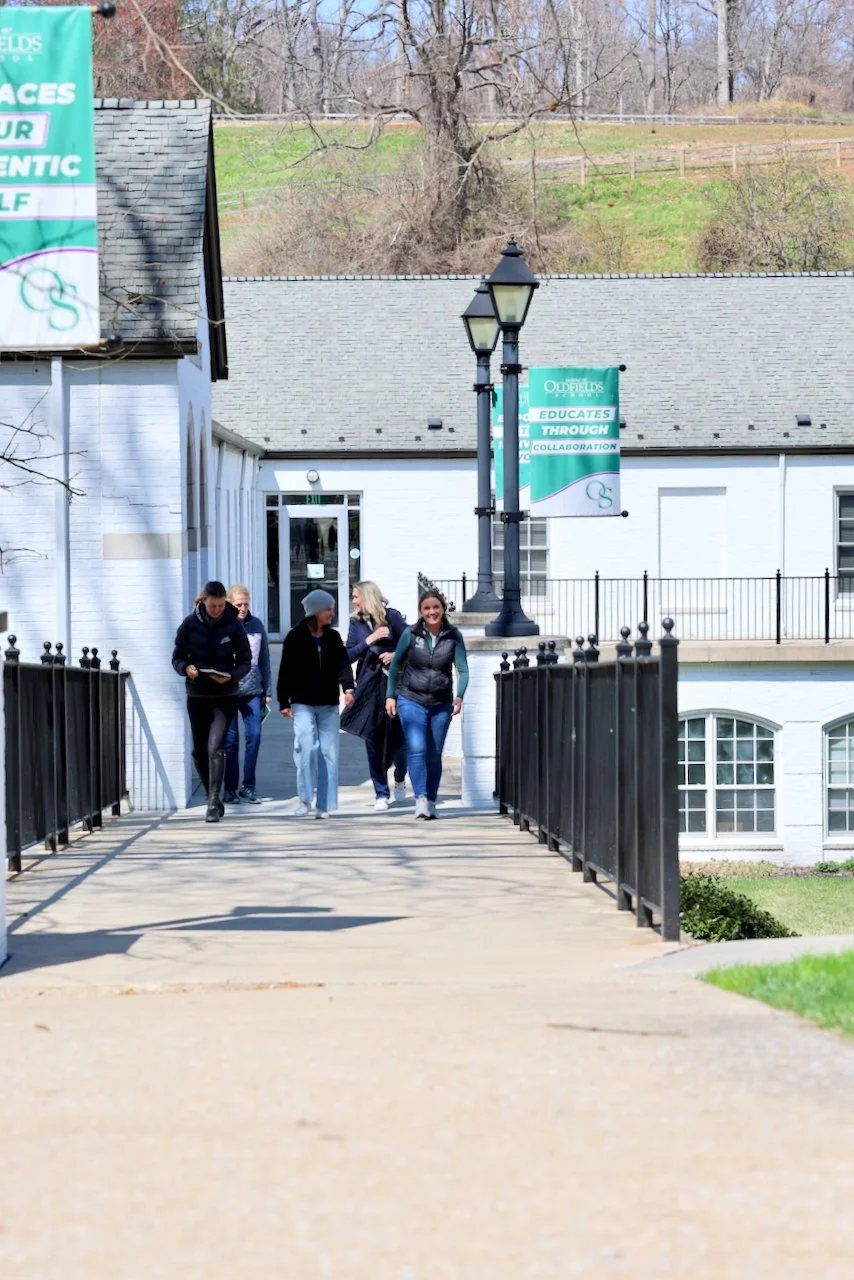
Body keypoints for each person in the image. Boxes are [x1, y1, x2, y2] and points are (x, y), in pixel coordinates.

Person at [172, 580, 252, 823]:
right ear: (203, 601)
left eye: (220, 605)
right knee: (199, 750)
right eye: (212, 606)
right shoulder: (189, 624)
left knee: (215, 748)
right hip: (197, 694)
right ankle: (213, 796)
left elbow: (246, 660)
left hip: (224, 695)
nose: (216, 610)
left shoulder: (233, 625)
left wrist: (231, 676)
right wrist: (187, 668)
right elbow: (176, 658)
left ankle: (212, 803)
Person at [385, 590, 469, 820]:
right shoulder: (411, 634)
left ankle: (431, 801)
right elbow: (395, 667)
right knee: (417, 747)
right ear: (421, 612)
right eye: (426, 608)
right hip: (410, 698)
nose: (431, 612)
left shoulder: (453, 636)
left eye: (435, 607)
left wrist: (459, 696)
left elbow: (462, 669)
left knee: (434, 754)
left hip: (441, 702)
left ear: (442, 609)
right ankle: (420, 798)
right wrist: (390, 696)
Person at [277, 589, 355, 818]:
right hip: (302, 703)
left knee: (329, 753)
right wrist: (284, 700)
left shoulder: (332, 638)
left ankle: (324, 805)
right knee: (306, 747)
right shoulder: (295, 637)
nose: (331, 613)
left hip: (328, 704)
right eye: (328, 609)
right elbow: (286, 671)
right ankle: (304, 799)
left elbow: (343, 665)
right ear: (315, 611)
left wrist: (348, 688)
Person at [344, 581, 408, 812]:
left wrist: (395, 654)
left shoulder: (392, 617)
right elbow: (348, 655)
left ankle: (400, 776)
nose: (353, 601)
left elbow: (412, 642)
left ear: (368, 597)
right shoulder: (356, 623)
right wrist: (369, 640)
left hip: (395, 684)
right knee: (372, 738)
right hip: (369, 686)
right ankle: (381, 792)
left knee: (400, 741)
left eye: (356, 596)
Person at [223, 584, 272, 805]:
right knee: (231, 741)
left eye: (245, 604)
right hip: (229, 691)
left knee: (254, 735)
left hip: (253, 691)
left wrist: (267, 691)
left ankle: (248, 786)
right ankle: (230, 788)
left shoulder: (256, 625)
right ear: (229, 603)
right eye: (238, 604)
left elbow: (264, 660)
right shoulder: (224, 626)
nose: (242, 608)